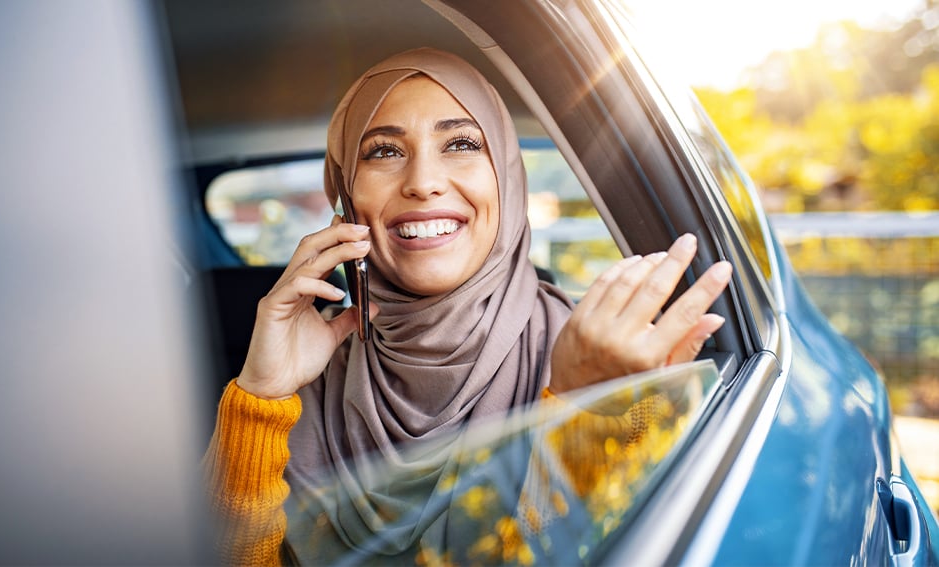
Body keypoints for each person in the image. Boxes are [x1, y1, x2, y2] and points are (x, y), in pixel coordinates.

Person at [202, 47, 732, 566]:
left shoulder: (601, 356)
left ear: (507, 177)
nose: (424, 183)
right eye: (384, 151)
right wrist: (260, 395)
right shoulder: (298, 385)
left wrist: (583, 412)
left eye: (461, 143)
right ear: (345, 196)